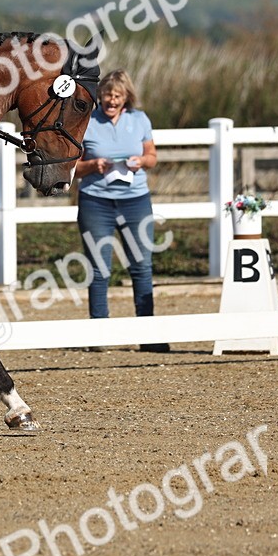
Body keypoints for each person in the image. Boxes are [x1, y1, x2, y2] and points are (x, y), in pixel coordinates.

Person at [74, 69, 168, 353]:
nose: (111, 101)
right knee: (99, 267)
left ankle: (148, 333)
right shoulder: (87, 121)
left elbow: (153, 156)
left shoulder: (139, 120)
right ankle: (99, 333)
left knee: (141, 266)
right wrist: (93, 166)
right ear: (99, 97)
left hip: (135, 200)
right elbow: (72, 166)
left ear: (126, 97)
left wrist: (141, 161)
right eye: (106, 95)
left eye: (117, 96)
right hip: (96, 201)